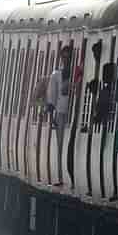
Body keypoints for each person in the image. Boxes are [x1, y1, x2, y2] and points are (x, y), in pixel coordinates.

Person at [45, 48, 71, 185]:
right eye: (65, 58)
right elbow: (51, 97)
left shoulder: (75, 74)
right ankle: (60, 177)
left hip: (71, 113)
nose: (66, 60)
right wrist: (51, 118)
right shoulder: (56, 75)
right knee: (60, 145)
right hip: (60, 113)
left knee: (65, 145)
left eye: (68, 58)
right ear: (61, 59)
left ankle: (65, 176)